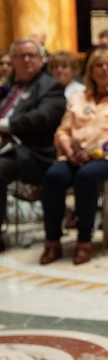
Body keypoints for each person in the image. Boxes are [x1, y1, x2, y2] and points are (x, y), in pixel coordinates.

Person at [39, 49, 108, 266]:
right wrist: (68, 150)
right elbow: (63, 131)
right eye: (98, 65)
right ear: (90, 71)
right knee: (53, 176)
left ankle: (84, 241)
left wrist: (101, 151)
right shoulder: (78, 99)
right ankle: (52, 240)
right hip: (75, 157)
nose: (104, 69)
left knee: (87, 176)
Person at [0, 38, 66, 253]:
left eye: (32, 55)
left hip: (31, 152)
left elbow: (42, 118)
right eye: (21, 56)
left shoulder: (51, 86)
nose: (27, 60)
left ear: (41, 59)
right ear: (13, 60)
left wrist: (3, 126)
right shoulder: (8, 85)